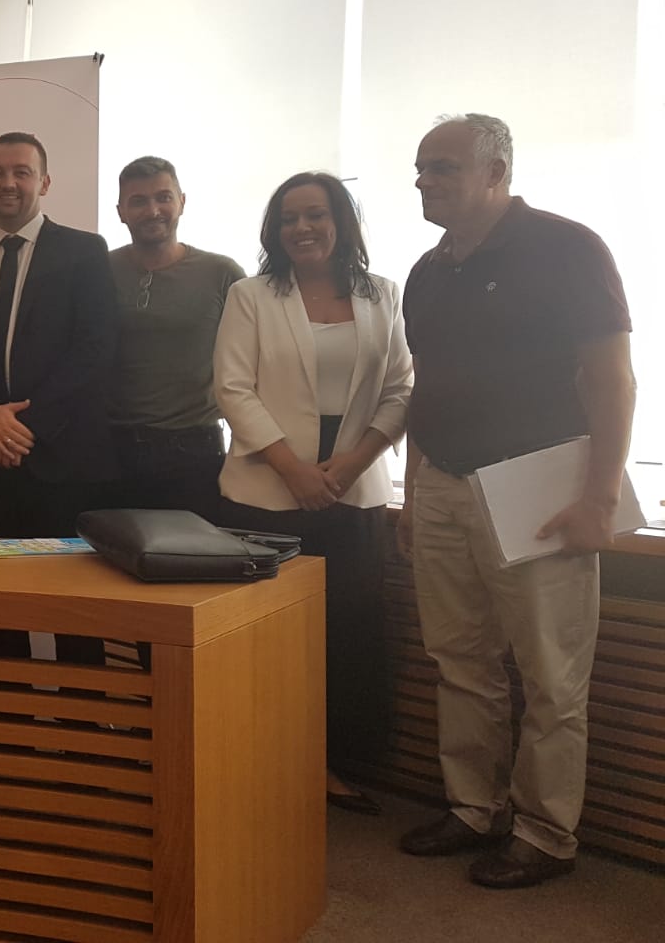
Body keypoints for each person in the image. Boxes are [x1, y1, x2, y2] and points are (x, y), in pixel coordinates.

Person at [397, 114, 634, 888]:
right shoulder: (428, 270)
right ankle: (476, 809)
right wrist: (414, 490)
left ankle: (545, 833)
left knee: (551, 677)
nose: (424, 180)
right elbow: (427, 386)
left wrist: (600, 497)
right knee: (459, 662)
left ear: (496, 172)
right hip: (443, 486)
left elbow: (612, 379)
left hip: (539, 488)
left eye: (443, 167)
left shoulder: (568, 247)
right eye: (421, 167)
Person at [213, 171, 412, 816]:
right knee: (268, 638)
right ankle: (267, 760)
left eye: (316, 215)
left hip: (353, 492)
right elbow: (232, 389)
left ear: (341, 222)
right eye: (288, 218)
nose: (302, 228)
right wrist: (292, 468)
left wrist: (352, 463)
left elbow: (402, 389)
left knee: (348, 633)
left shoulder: (383, 294)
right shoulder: (251, 295)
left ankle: (335, 765)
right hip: (264, 493)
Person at [0, 131, 117, 661]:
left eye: (21, 172)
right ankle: (10, 711)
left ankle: (82, 716)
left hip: (63, 462)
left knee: (74, 615)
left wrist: (21, 430)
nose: (8, 182)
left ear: (45, 182)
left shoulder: (85, 252)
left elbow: (95, 350)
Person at [107, 156, 244, 519]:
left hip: (195, 453)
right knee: (109, 554)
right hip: (112, 453)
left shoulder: (222, 273)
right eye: (138, 201)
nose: (153, 210)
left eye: (163, 197)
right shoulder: (99, 270)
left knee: (193, 554)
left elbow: (253, 365)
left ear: (182, 201)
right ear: (121, 211)